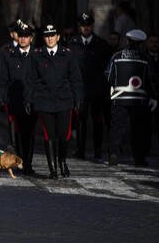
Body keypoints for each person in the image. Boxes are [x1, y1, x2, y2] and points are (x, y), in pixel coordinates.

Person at [25, 24, 83, 179]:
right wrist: (28, 99)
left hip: (64, 100)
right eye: (46, 36)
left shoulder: (67, 55)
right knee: (49, 134)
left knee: (64, 135)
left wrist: (78, 98)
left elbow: (76, 79)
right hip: (44, 101)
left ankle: (62, 160)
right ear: (43, 38)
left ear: (58, 37)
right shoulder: (37, 55)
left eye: (52, 35)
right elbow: (31, 80)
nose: (50, 39)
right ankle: (53, 169)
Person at [106, 29, 157, 166]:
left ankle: (114, 153)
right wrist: (153, 97)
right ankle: (139, 157)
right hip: (139, 99)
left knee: (117, 127)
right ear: (141, 43)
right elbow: (150, 80)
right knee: (138, 129)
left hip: (120, 97)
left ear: (127, 41)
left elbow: (108, 75)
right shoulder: (146, 58)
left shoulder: (116, 56)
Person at [0, 20, 37, 174]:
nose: (23, 39)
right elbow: (2, 77)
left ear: (31, 38)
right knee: (19, 133)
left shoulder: (37, 55)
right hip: (15, 100)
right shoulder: (9, 54)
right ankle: (22, 160)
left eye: (26, 36)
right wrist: (0, 96)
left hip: (32, 100)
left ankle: (28, 163)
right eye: (21, 35)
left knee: (29, 133)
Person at [67, 11, 113, 160]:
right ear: (79, 27)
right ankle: (80, 148)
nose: (85, 28)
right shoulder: (73, 45)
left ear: (92, 26)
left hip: (98, 89)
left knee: (97, 120)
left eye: (88, 25)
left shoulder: (101, 44)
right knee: (81, 119)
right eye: (83, 25)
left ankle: (98, 150)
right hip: (80, 89)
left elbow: (109, 67)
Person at [0, 20, 20, 151]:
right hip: (9, 92)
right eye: (17, 32)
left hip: (26, 92)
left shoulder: (33, 50)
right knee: (12, 119)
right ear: (11, 34)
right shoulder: (4, 51)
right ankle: (14, 144)